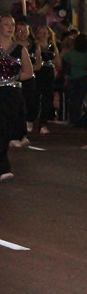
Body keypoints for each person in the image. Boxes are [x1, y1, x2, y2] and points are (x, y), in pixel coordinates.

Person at [0, 15, 34, 180]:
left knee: (6, 128)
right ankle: (3, 166)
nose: (10, 27)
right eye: (6, 24)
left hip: (12, 92)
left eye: (12, 24)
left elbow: (29, 72)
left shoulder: (20, 49)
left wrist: (11, 79)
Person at [33, 24, 61, 134]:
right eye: (41, 33)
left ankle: (43, 123)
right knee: (35, 97)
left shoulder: (53, 47)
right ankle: (31, 118)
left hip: (49, 73)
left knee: (47, 98)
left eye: (45, 33)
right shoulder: (35, 46)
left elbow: (58, 62)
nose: (43, 35)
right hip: (38, 72)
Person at [62, 33, 87, 124]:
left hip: (73, 77)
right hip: (85, 77)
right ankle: (79, 117)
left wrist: (66, 74)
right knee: (80, 99)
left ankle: (72, 118)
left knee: (72, 99)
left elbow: (64, 61)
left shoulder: (71, 52)